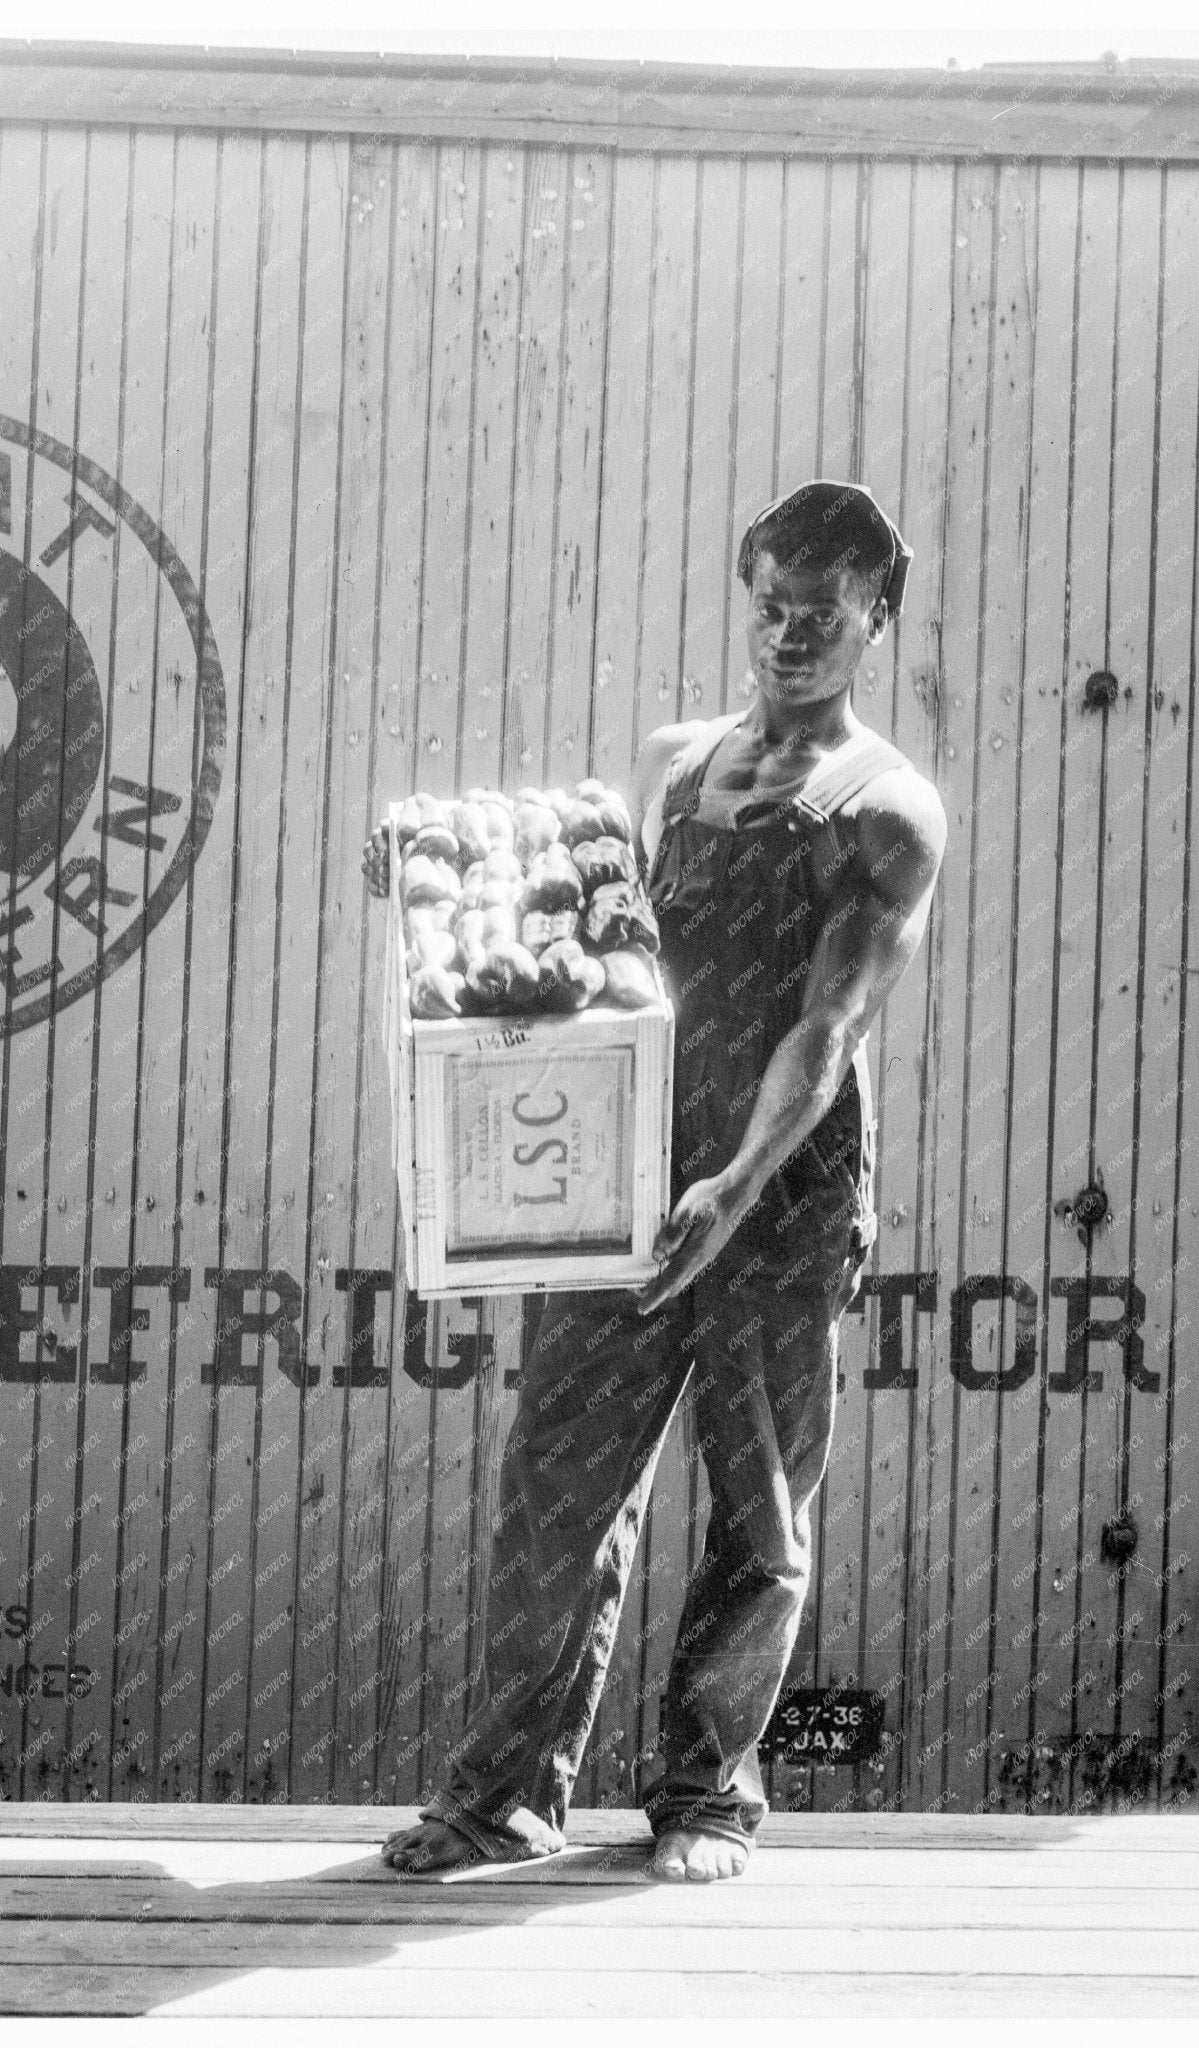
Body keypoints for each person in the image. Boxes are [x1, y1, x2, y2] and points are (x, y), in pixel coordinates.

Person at [364, 481, 947, 1883]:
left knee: (758, 1516)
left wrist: (738, 1182)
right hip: (618, 1194)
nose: (789, 632)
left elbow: (831, 1025)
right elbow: (585, 946)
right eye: (771, 604)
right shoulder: (674, 765)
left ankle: (704, 1798)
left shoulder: (885, 808)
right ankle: (503, 1796)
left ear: (875, 614)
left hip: (776, 1203)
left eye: (821, 611)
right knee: (556, 1498)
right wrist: (429, 895)